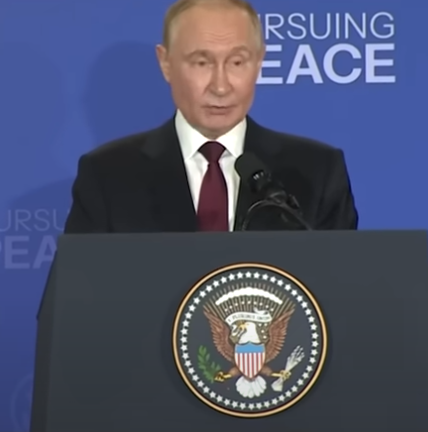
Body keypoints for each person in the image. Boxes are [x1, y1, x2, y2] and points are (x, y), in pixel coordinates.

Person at [64, 0, 358, 234]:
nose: (220, 86)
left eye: (237, 62)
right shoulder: (107, 176)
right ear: (165, 63)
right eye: (201, 62)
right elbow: (76, 290)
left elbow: (342, 286)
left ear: (259, 62)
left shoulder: (317, 171)